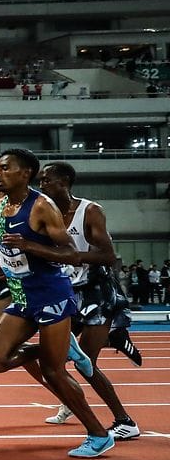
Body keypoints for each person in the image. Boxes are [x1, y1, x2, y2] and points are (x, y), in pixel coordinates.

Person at [0, 148, 114, 458]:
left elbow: (70, 254)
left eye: (5, 168)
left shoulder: (42, 206)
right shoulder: (1, 207)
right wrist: (5, 262)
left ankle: (98, 434)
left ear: (25, 173)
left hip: (51, 294)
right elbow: (12, 252)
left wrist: (29, 245)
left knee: (53, 373)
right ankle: (62, 348)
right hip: (22, 296)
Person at [37, 162, 139, 439]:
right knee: (53, 360)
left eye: (47, 180)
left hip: (97, 293)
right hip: (66, 293)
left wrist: (70, 257)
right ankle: (112, 339)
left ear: (64, 182)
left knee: (87, 363)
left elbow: (108, 256)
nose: (41, 184)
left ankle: (125, 421)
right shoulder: (46, 214)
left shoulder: (90, 211)